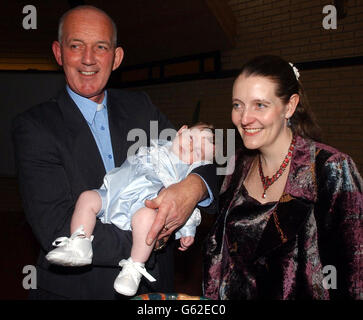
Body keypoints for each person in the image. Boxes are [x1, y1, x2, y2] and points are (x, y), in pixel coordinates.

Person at [12, 5, 218, 299]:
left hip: (153, 290)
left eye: (100, 47)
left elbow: (201, 157)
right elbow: (57, 228)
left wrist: (194, 188)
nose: (88, 59)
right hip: (79, 291)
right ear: (58, 53)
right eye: (75, 46)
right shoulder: (34, 127)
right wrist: (154, 235)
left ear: (116, 57)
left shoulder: (141, 107)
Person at [203, 55, 362, 300]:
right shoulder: (234, 168)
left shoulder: (331, 169)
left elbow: (354, 277)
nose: (244, 118)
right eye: (237, 105)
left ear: (289, 106)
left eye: (260, 105)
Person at [45, 123, 215, 296]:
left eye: (198, 152)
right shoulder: (158, 145)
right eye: (192, 139)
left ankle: (134, 267)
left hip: (143, 206)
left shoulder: (184, 175)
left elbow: (185, 205)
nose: (190, 147)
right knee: (87, 198)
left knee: (146, 220)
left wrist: (188, 230)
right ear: (181, 131)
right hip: (114, 194)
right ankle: (80, 243)